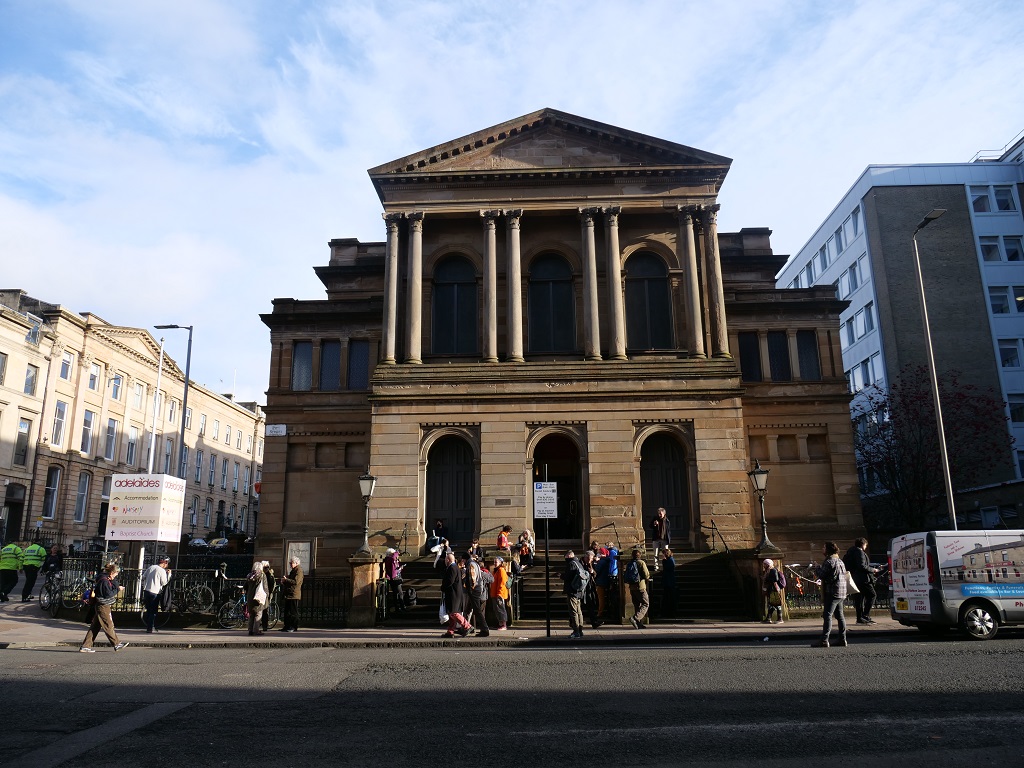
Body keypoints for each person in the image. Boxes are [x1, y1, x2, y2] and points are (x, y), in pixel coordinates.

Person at [79, 562, 129, 652]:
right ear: (112, 572)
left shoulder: (105, 578)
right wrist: (118, 589)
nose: (117, 575)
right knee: (108, 625)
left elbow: (113, 586)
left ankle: (86, 646)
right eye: (116, 573)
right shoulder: (104, 581)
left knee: (95, 626)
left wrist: (113, 581)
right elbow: (108, 594)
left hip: (101, 605)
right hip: (103, 605)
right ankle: (117, 644)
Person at [813, 541, 848, 648]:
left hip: (832, 592)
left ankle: (824, 640)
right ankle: (842, 639)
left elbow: (822, 575)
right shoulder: (839, 560)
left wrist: (817, 567)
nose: (822, 549)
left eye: (823, 547)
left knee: (827, 615)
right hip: (842, 592)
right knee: (840, 616)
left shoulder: (829, 562)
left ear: (828, 550)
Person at [843, 538, 879, 625]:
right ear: (863, 544)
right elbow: (862, 566)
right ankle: (865, 615)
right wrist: (873, 570)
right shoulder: (859, 552)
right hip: (863, 579)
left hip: (855, 579)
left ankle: (859, 618)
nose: (866, 547)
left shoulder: (851, 552)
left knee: (859, 599)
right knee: (872, 595)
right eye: (866, 545)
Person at [440, 550, 472, 638]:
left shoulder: (452, 568)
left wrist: (443, 587)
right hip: (453, 594)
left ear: (448, 560)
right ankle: (450, 631)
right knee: (451, 613)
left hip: (454, 594)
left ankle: (467, 626)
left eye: (446, 559)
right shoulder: (453, 567)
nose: (445, 561)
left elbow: (450, 581)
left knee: (454, 613)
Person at [141, 555, 172, 633]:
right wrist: (169, 574)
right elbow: (164, 582)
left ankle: (148, 626)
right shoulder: (162, 571)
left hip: (147, 590)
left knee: (148, 610)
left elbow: (143, 577)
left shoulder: (151, 567)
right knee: (153, 611)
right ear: (165, 563)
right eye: (167, 563)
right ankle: (151, 628)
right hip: (155, 592)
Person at [562, 550, 588, 639]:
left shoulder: (571, 564)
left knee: (573, 611)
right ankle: (580, 630)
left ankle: (576, 630)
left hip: (572, 590)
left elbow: (568, 577)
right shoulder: (578, 563)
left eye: (565, 557)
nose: (565, 559)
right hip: (579, 590)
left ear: (568, 556)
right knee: (579, 611)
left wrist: (561, 576)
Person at [463, 556, 491, 637]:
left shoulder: (470, 564)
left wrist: (471, 589)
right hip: (476, 590)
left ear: (465, 559)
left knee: (477, 610)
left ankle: (485, 629)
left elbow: (473, 578)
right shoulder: (475, 564)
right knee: (468, 609)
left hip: (474, 591)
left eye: (463, 560)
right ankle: (467, 627)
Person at [624, 547, 651, 629]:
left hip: (632, 587)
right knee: (645, 604)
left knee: (637, 605)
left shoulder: (629, 564)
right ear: (640, 555)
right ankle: (635, 618)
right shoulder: (641, 562)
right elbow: (646, 575)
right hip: (640, 586)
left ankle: (639, 624)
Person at [279, 556, 304, 632]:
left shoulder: (299, 571)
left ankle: (293, 626)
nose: (290, 564)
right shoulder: (294, 570)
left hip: (293, 594)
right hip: (289, 594)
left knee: (293, 611)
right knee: (287, 611)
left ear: (296, 563)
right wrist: (285, 581)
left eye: (291, 563)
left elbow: (295, 582)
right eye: (290, 562)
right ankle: (287, 626)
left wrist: (286, 580)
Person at [245, 560, 269, 636]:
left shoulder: (249, 575)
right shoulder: (262, 575)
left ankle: (250, 630)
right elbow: (265, 587)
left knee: (251, 614)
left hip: (250, 596)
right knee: (258, 614)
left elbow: (245, 586)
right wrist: (267, 594)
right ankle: (256, 630)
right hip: (258, 596)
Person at [581, 550, 601, 628]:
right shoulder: (580, 563)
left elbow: (595, 574)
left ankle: (594, 622)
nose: (591, 560)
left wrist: (592, 571)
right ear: (586, 557)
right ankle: (573, 622)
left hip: (589, 587)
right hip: (582, 588)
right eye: (590, 558)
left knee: (591, 605)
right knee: (580, 606)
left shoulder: (590, 563)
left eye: (592, 559)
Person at [489, 556, 510, 630]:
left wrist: (499, 593)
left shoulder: (501, 570)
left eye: (496, 562)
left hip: (499, 593)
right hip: (495, 593)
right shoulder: (496, 570)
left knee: (501, 609)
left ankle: (504, 624)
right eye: (494, 562)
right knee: (497, 609)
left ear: (500, 563)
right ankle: (500, 623)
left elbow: (502, 583)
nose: (494, 563)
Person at [383, 548, 406, 613]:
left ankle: (398, 607)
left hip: (393, 578)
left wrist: (400, 568)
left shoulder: (390, 560)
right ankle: (401, 607)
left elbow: (394, 569)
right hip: (395, 578)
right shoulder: (391, 559)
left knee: (396, 593)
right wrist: (396, 553)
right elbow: (393, 571)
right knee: (400, 593)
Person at [761, 558, 784, 625]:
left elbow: (775, 579)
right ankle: (768, 618)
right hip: (771, 589)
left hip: (774, 589)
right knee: (771, 604)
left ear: (768, 564)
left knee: (777, 603)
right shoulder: (768, 571)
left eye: (765, 564)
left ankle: (780, 619)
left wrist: (767, 579)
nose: (764, 565)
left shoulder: (773, 570)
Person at [660, 548, 677, 619]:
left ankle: (670, 613)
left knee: (669, 598)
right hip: (668, 581)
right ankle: (667, 612)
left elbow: (667, 568)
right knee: (667, 597)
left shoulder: (670, 560)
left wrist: (663, 561)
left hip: (669, 582)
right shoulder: (669, 560)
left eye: (663, 554)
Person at [261, 561, 277, 632]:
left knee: (265, 611)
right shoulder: (262, 574)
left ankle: (264, 626)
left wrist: (268, 594)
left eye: (266, 567)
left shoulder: (269, 575)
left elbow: (271, 586)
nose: (265, 569)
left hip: (265, 595)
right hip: (261, 594)